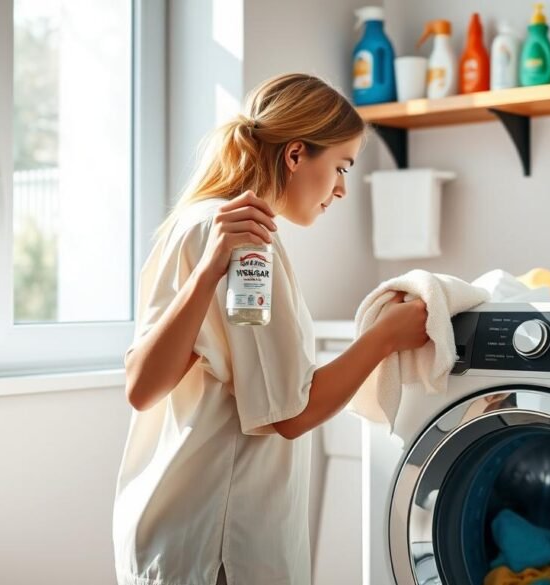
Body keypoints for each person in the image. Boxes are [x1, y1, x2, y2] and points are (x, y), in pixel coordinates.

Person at [112, 73, 429, 585]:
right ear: (297, 154)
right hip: (222, 545)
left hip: (167, 531)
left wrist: (208, 270)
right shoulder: (245, 241)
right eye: (341, 166)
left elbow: (141, 387)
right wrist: (384, 337)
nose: (343, 188)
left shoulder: (196, 221)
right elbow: (291, 412)